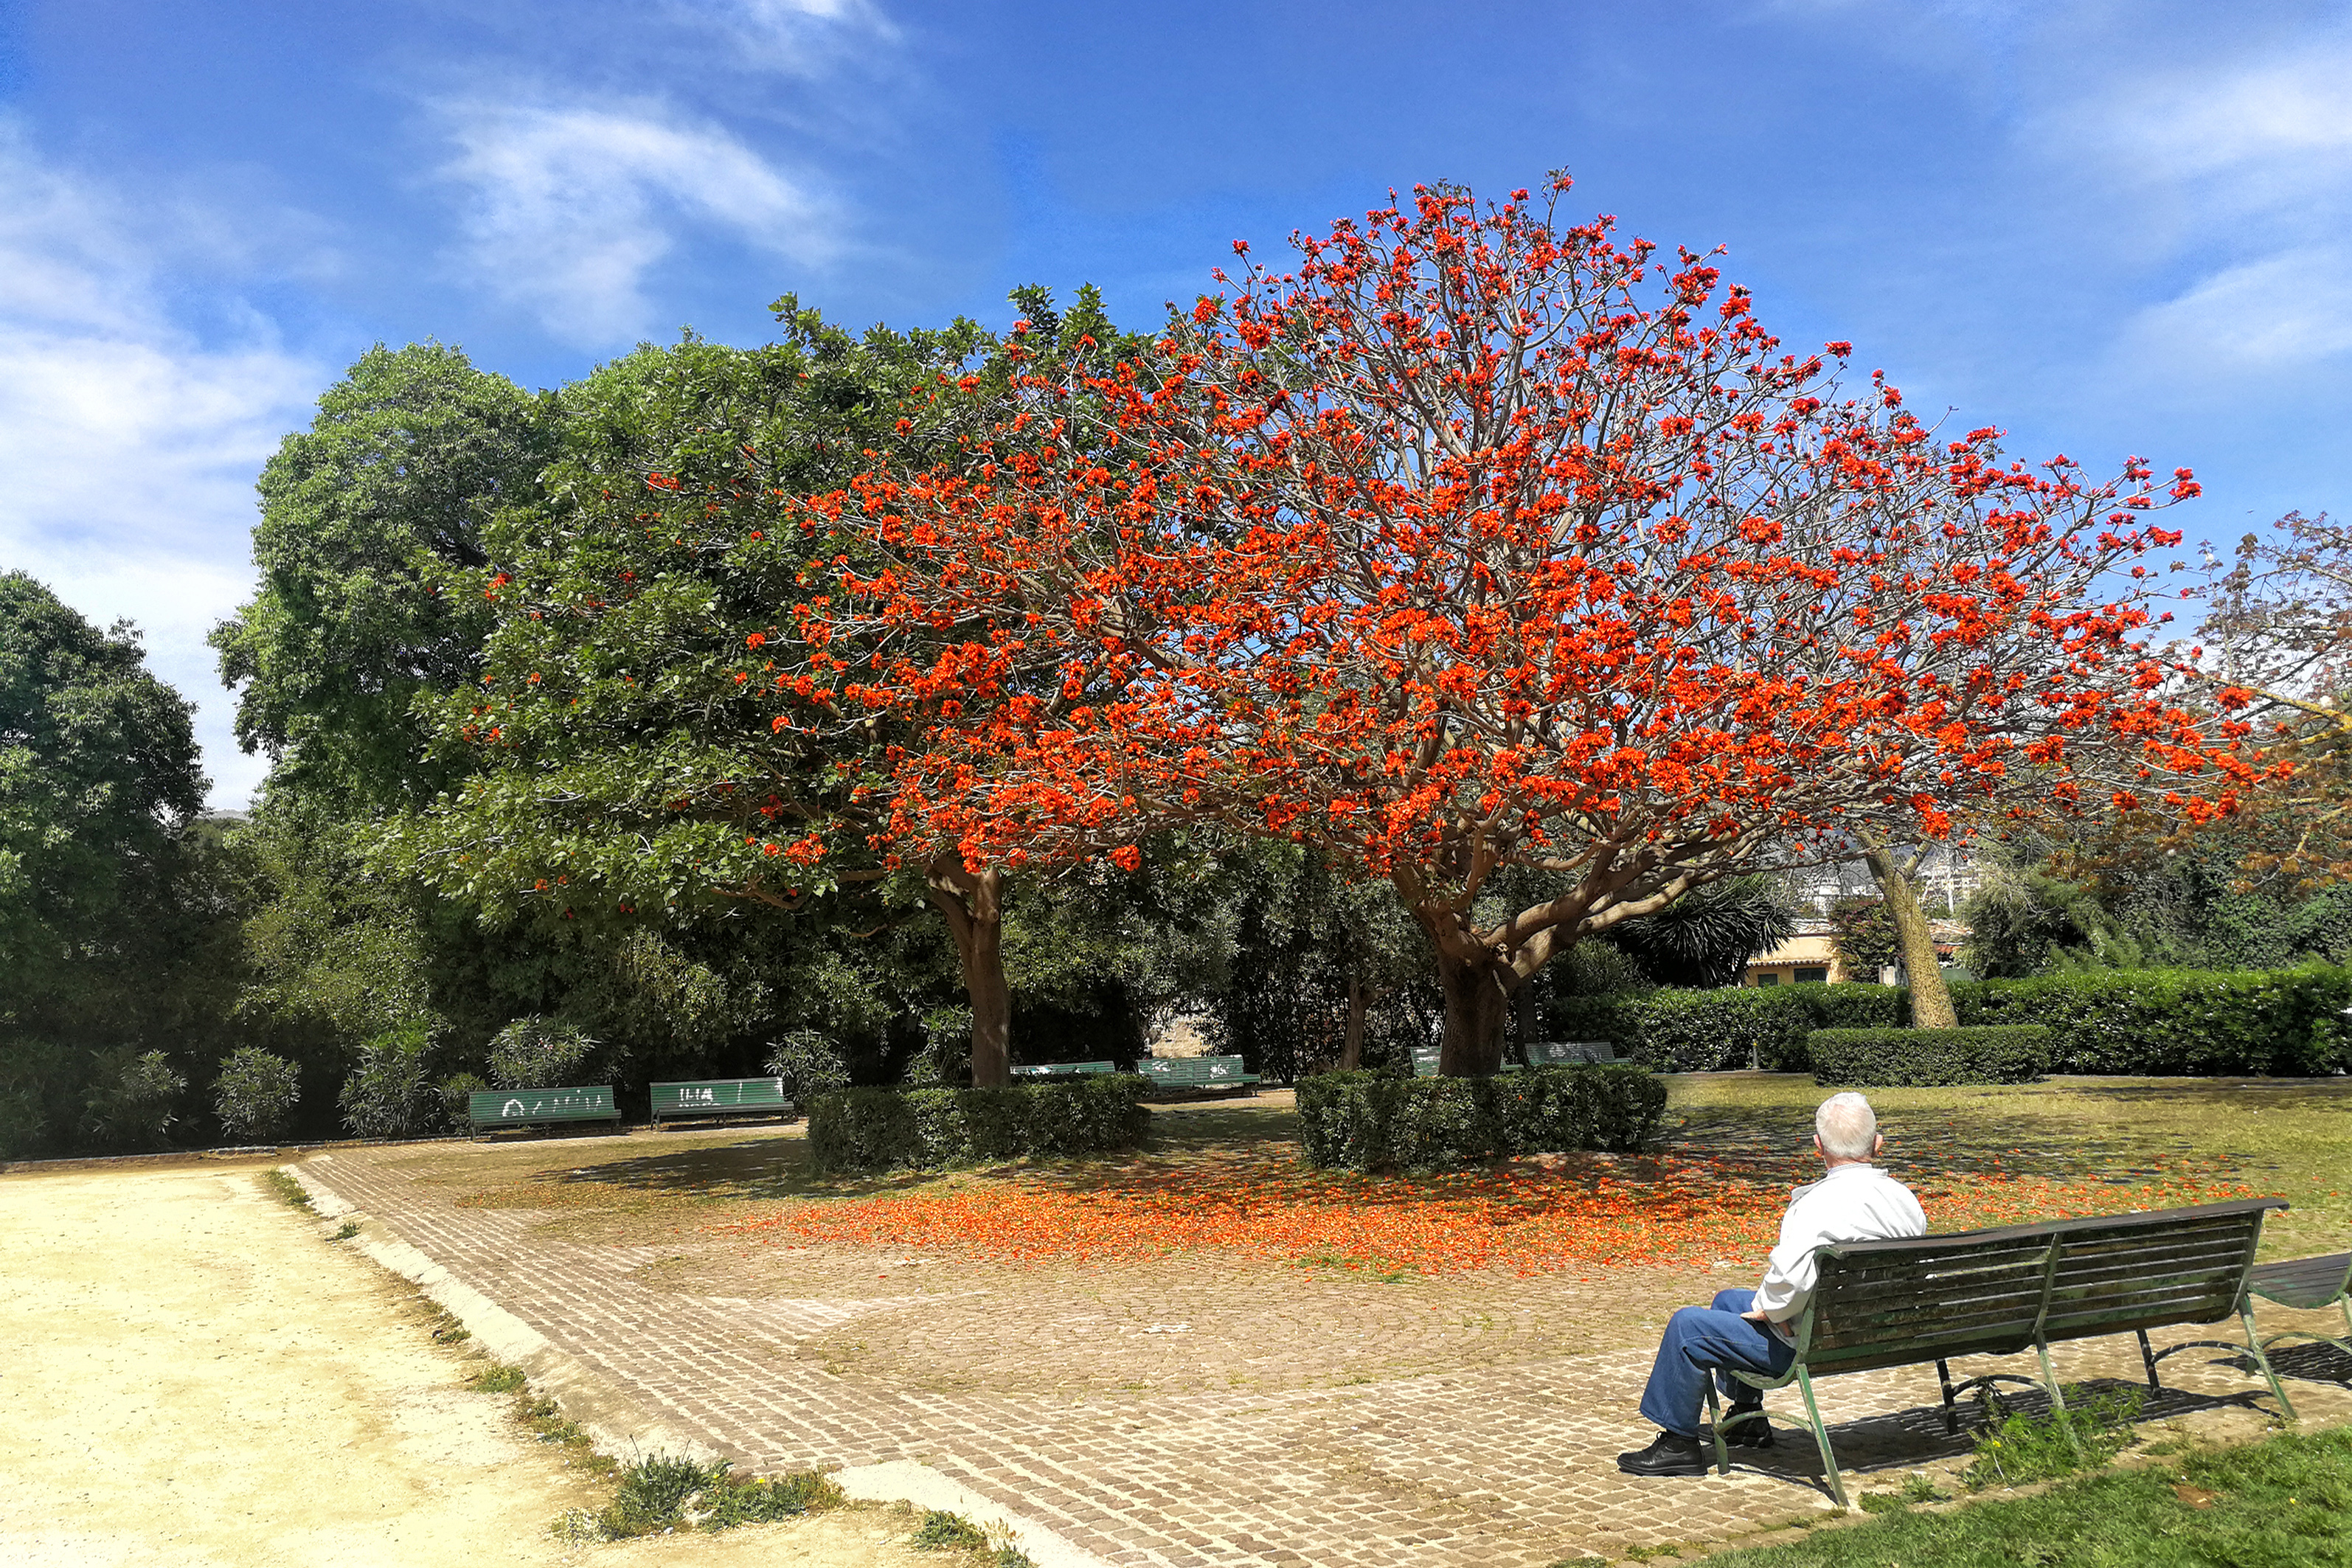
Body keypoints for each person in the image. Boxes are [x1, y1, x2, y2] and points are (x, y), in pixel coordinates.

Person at [1617, 1091, 1927, 1477]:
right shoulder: (1906, 1200)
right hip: (1875, 1332)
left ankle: (1679, 1445)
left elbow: (1785, 1287)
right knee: (1729, 1300)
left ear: (1818, 1146)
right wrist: (1774, 1307)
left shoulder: (1813, 1206)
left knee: (1687, 1327)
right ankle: (1748, 1417)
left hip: (1813, 1344)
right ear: (1877, 1144)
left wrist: (1773, 1311)